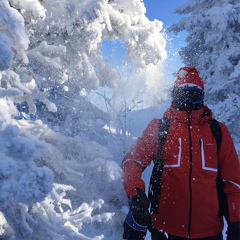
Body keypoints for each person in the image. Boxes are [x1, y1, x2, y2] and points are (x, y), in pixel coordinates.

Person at [121, 66, 240, 240]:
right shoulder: (161, 127)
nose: (188, 103)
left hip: (210, 232)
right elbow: (132, 161)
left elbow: (233, 181)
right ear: (174, 96)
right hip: (165, 230)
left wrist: (236, 222)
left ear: (202, 97)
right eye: (184, 95)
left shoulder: (217, 131)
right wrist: (137, 197)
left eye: (194, 96)